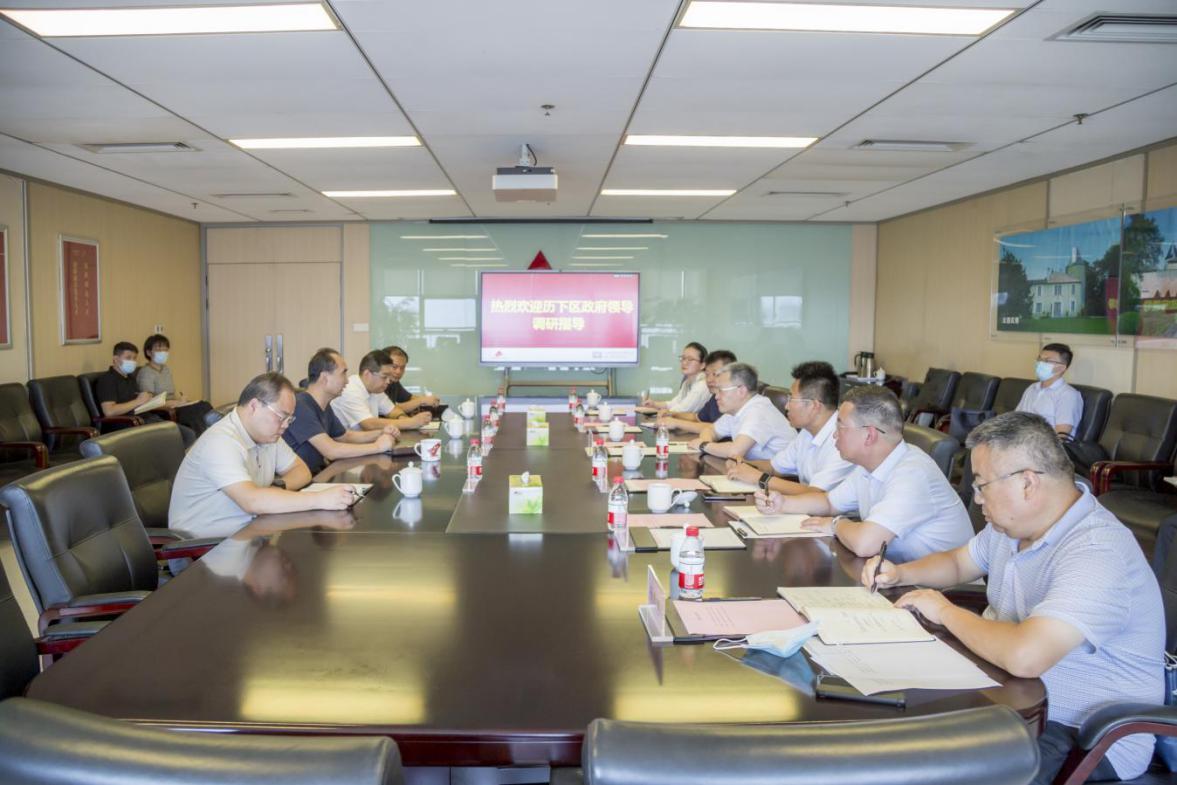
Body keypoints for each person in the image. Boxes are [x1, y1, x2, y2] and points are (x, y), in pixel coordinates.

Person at [863, 412, 1163, 783]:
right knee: (889, 730)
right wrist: (901, 573)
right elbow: (958, 563)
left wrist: (944, 611)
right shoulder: (1011, 528)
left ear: (1027, 483)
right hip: (1002, 695)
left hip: (1080, 735)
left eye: (981, 485)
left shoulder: (1097, 551)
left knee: (922, 768)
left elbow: (1026, 657)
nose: (977, 498)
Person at [757, 385, 972, 561]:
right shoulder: (868, 466)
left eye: (841, 427)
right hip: (895, 574)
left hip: (942, 592)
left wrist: (836, 524)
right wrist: (782, 503)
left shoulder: (912, 474)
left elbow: (865, 544)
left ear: (869, 435)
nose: (834, 436)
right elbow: (830, 503)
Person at [168, 372, 354, 538]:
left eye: (289, 419)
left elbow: (301, 470)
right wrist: (320, 499)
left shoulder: (267, 435)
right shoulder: (221, 442)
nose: (285, 425)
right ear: (254, 406)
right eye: (281, 417)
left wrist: (275, 488)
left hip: (250, 532)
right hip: (206, 549)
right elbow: (252, 501)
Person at [725, 361, 854, 495]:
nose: (786, 407)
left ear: (814, 406)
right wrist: (744, 464)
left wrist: (759, 478)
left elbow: (817, 494)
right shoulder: (806, 432)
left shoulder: (843, 440)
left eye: (791, 399)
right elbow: (773, 467)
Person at [283, 348, 400, 475]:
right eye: (343, 373)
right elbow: (331, 451)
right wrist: (377, 447)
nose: (347, 380)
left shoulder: (324, 406)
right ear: (324, 377)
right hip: (302, 480)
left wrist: (381, 433)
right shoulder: (300, 406)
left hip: (316, 474)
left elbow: (345, 436)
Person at [688, 363, 796, 461]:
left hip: (782, 475)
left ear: (741, 391)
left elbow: (735, 451)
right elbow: (710, 430)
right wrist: (706, 444)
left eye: (721, 390)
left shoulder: (758, 411)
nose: (716, 396)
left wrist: (703, 445)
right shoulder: (737, 409)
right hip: (756, 470)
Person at [94, 341, 195, 444]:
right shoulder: (107, 380)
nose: (132, 361)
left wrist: (149, 400)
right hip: (127, 424)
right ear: (115, 359)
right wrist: (138, 401)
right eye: (128, 358)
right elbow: (109, 411)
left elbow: (138, 401)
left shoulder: (130, 378)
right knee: (182, 438)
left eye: (134, 358)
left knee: (188, 434)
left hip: (145, 419)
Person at [331, 349, 432, 432]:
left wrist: (403, 418)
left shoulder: (376, 389)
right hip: (347, 446)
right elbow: (369, 424)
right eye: (384, 376)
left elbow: (392, 410)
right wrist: (410, 422)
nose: (388, 381)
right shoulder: (350, 390)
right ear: (367, 374)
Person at [137, 332, 213, 435]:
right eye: (159, 350)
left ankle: (211, 435)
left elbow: (171, 393)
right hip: (162, 410)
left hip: (174, 405)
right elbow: (148, 402)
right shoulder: (145, 372)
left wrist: (181, 399)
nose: (163, 352)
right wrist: (170, 403)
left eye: (165, 349)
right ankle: (201, 438)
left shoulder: (166, 369)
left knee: (203, 405)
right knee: (194, 412)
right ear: (149, 352)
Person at [656, 349, 736, 434]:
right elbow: (697, 417)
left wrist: (676, 423)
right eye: (707, 374)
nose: (709, 380)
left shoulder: (733, 399)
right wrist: (672, 414)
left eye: (715, 374)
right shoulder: (714, 397)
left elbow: (717, 427)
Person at [1016, 342, 1084, 438]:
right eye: (1039, 359)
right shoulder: (1032, 388)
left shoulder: (1068, 395)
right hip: (1019, 440)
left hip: (1045, 445)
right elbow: (1016, 418)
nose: (1040, 363)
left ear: (1061, 368)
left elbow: (1061, 436)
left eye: (1047, 361)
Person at [640, 341, 710, 413]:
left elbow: (682, 410)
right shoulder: (687, 383)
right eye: (683, 358)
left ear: (703, 365)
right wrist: (654, 404)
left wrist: (658, 412)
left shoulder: (702, 385)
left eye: (690, 359)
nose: (684, 362)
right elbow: (675, 403)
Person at [381, 345, 440, 416]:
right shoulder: (378, 385)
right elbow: (390, 409)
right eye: (394, 367)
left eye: (402, 368)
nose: (398, 372)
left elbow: (409, 398)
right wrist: (421, 401)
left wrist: (428, 399)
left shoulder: (394, 382)